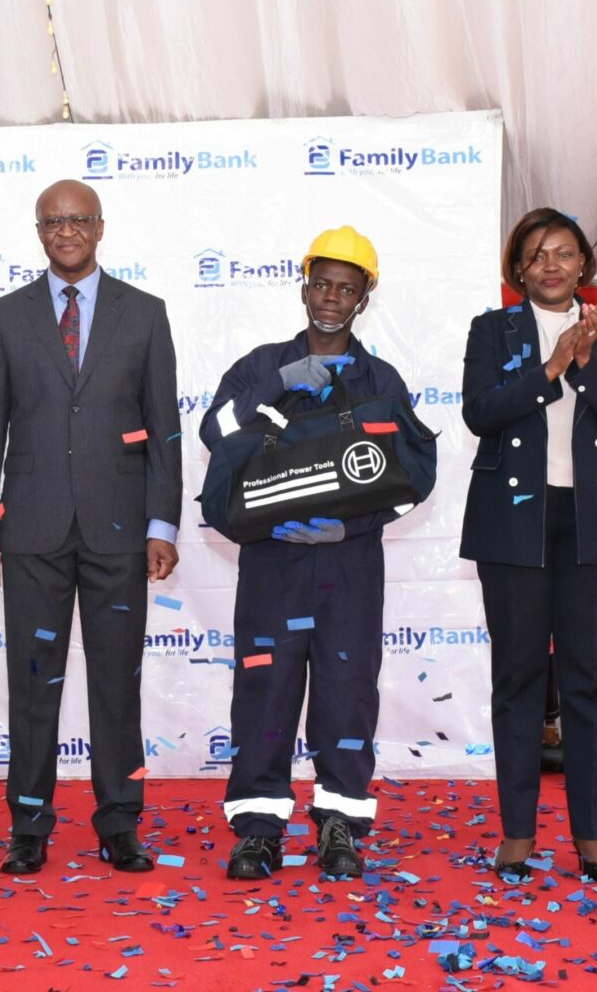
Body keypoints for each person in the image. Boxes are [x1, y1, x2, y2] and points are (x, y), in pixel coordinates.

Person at [200, 225, 436, 881]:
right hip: (272, 565)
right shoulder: (259, 366)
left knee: (345, 697)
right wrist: (276, 384)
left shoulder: (379, 380)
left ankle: (339, 826)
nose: (331, 298)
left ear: (364, 298)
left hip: (347, 568)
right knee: (264, 695)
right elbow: (213, 430)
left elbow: (413, 475)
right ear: (305, 286)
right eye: (322, 284)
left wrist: (352, 530)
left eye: (346, 288)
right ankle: (257, 830)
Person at [0, 180, 182, 874]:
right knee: (34, 683)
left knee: (117, 683)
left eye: (77, 220)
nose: (66, 231)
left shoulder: (144, 315)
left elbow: (165, 431)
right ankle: (28, 825)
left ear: (99, 227)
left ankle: (120, 822)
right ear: (39, 232)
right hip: (29, 531)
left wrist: (163, 523)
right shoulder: (4, 317)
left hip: (120, 529)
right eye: (53, 222)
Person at [459, 207, 597, 880]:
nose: (550, 264)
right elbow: (479, 411)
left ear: (582, 266)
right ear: (518, 268)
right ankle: (515, 831)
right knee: (515, 677)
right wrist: (549, 368)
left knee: (588, 681)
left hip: (593, 520)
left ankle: (590, 834)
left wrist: (588, 361)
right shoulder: (492, 329)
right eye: (537, 254)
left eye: (563, 253)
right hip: (512, 521)